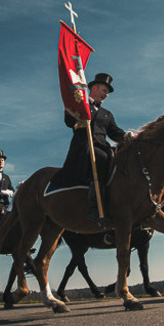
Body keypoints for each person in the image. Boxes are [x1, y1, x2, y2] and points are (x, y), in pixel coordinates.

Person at [61, 73, 127, 225]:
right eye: (104, 90)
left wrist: (127, 136)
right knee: (102, 159)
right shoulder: (80, 104)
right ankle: (95, 208)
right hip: (84, 147)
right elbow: (69, 121)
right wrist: (77, 116)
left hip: (103, 147)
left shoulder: (107, 114)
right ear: (94, 88)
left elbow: (115, 132)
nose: (105, 94)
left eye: (107, 93)